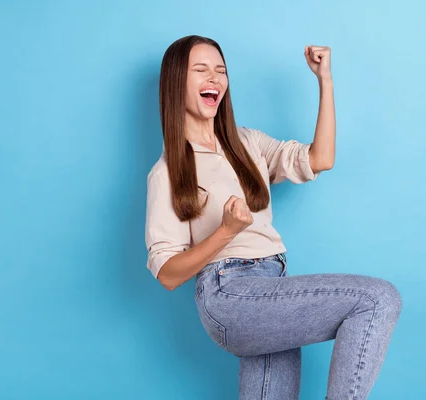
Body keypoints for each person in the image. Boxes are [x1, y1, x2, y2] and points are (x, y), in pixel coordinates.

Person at [145, 35, 402, 400]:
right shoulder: (168, 172)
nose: (214, 79)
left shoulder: (246, 143)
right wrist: (226, 232)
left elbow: (320, 159)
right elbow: (167, 274)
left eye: (221, 70)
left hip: (271, 289)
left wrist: (324, 80)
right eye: (201, 70)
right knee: (378, 298)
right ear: (175, 83)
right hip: (228, 294)